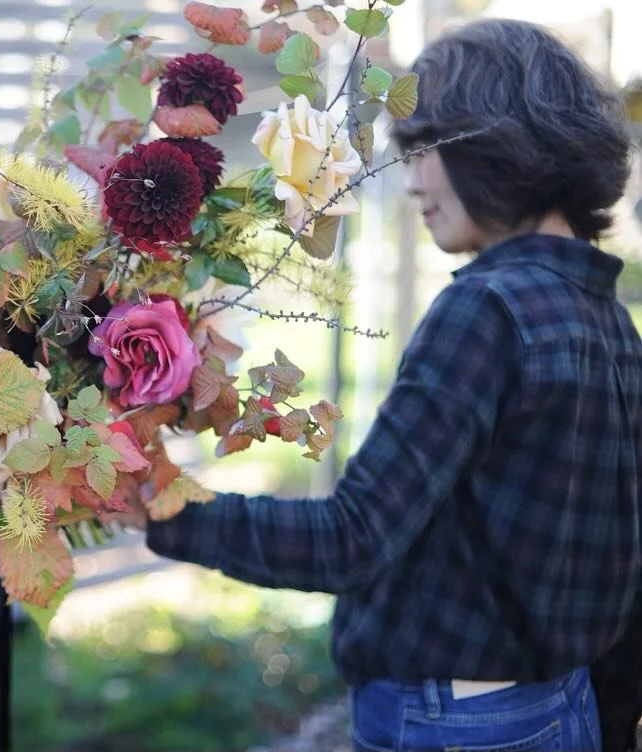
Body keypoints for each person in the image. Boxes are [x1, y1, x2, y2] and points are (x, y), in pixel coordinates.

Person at [122, 18, 641, 752]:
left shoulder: (488, 311)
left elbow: (352, 538)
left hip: (455, 722)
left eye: (424, 150)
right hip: (562, 709)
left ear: (496, 142)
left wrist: (165, 511)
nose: (412, 182)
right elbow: (624, 573)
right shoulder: (608, 321)